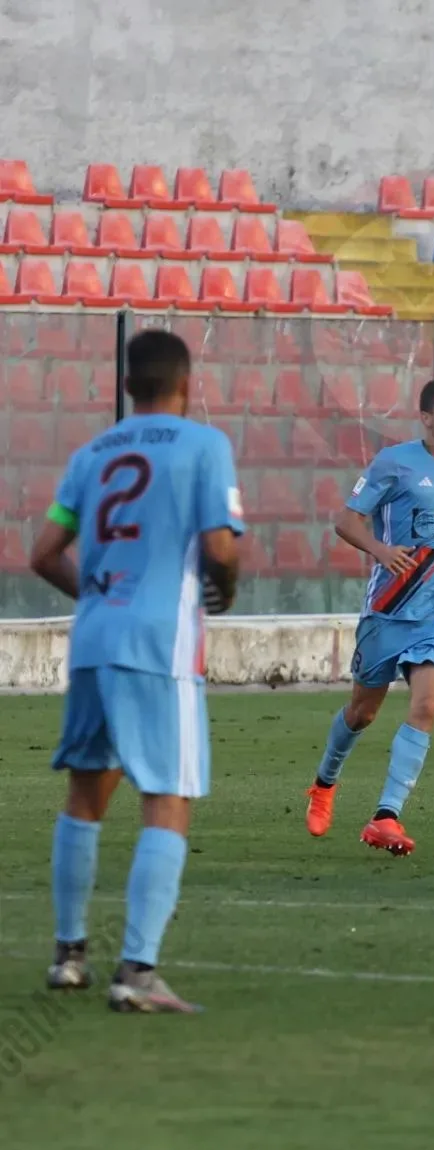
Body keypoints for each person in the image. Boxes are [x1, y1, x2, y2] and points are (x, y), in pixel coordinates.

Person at [28, 329, 245, 1014]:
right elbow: (219, 546)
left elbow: (43, 551)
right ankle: (138, 972)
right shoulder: (204, 445)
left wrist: (98, 597)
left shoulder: (91, 453)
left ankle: (69, 956)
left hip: (95, 638)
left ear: (126, 387)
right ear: (187, 384)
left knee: (85, 795)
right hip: (161, 644)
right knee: (168, 796)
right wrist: (226, 586)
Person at [303, 379, 434, 855]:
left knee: (426, 705)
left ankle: (385, 816)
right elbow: (346, 520)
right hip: (391, 608)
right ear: (426, 418)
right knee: (362, 712)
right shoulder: (394, 462)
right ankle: (324, 783)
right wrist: (381, 550)